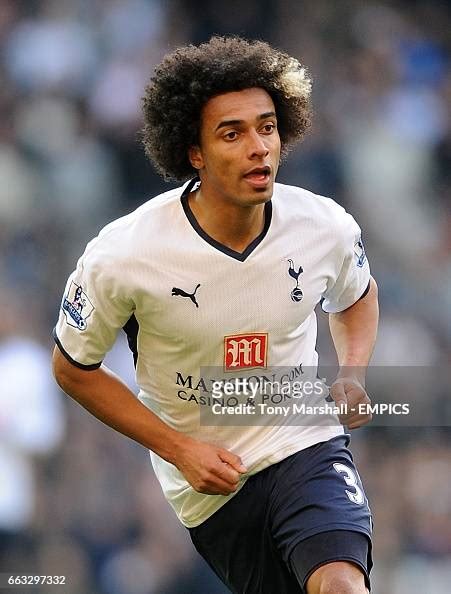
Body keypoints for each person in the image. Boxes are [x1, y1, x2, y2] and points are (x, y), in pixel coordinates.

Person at [52, 36, 379, 594]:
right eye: (233, 133)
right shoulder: (123, 253)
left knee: (342, 585)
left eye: (267, 127)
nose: (259, 147)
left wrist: (351, 371)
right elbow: (71, 368)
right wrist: (178, 449)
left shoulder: (325, 226)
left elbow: (357, 294)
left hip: (305, 441)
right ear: (194, 151)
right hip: (212, 489)